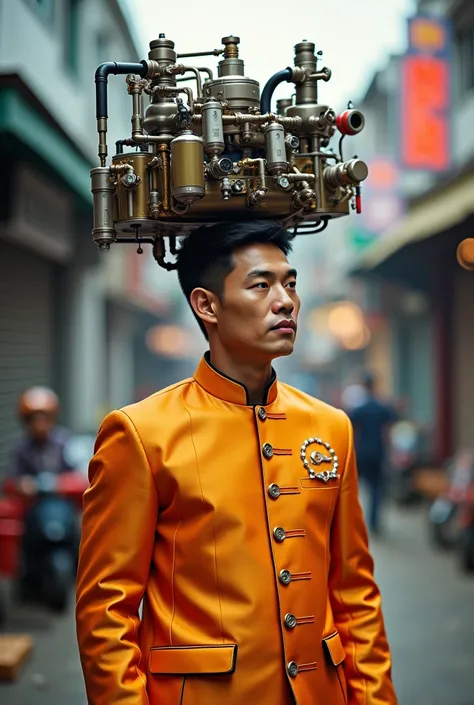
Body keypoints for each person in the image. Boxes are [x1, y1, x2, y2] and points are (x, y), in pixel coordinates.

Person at [76, 221, 397, 705]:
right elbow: (107, 609)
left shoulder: (332, 427)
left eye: (290, 283)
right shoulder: (142, 434)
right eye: (261, 284)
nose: (286, 300)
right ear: (207, 305)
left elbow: (355, 593)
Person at [348, 372, 398, 536]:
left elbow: (351, 429)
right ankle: (374, 522)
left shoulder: (359, 409)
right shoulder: (381, 407)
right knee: (376, 488)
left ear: (363, 386)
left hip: (361, 452)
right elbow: (389, 428)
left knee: (352, 488)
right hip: (378, 452)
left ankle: (350, 522)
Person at [7, 386, 73, 495]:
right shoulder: (21, 447)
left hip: (61, 500)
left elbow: (79, 476)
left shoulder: (64, 442)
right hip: (30, 502)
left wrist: (58, 483)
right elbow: (11, 480)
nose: (39, 424)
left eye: (43, 419)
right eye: (34, 419)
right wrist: (22, 484)